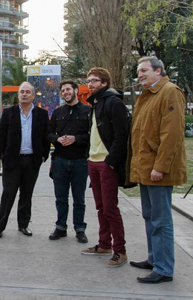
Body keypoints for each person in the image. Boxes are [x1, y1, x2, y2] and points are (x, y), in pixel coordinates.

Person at [129, 57, 186, 283]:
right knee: (150, 216)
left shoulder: (170, 92)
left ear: (158, 70)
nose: (140, 74)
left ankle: (163, 269)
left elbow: (171, 135)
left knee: (161, 220)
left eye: (144, 70)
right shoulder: (149, 95)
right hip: (146, 168)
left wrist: (160, 167)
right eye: (138, 71)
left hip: (157, 171)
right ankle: (154, 259)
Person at [81, 67, 129, 268]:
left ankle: (120, 250)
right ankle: (104, 244)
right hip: (93, 162)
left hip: (106, 163)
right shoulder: (95, 103)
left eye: (94, 80)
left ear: (104, 83)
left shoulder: (114, 103)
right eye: (89, 80)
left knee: (110, 208)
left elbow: (121, 135)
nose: (90, 84)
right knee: (101, 207)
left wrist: (110, 161)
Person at [0, 82, 50, 238]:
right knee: (8, 193)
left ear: (33, 95)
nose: (24, 94)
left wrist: (44, 155)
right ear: (18, 95)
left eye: (27, 92)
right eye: (21, 92)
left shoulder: (41, 114)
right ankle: (0, 226)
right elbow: (1, 136)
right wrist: (2, 155)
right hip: (12, 161)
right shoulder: (9, 113)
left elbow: (46, 136)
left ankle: (23, 225)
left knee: (26, 195)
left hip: (32, 161)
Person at [47, 81, 90, 243]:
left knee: (79, 198)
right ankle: (60, 227)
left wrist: (76, 139)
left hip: (80, 161)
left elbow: (92, 135)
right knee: (60, 198)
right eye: (63, 91)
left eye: (68, 90)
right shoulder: (58, 112)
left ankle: (80, 229)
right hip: (60, 161)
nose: (65, 93)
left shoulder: (88, 111)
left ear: (76, 91)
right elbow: (48, 132)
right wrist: (57, 139)